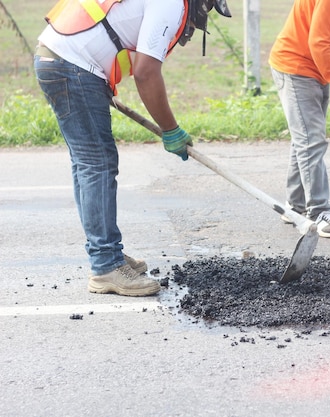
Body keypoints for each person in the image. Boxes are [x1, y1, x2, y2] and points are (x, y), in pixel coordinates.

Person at [34, 0, 231, 296]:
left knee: (88, 164)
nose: (201, 17)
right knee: (97, 164)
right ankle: (105, 266)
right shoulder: (171, 4)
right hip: (72, 66)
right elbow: (146, 72)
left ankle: (106, 253)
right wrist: (171, 130)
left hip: (59, 59)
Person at [268, 0, 330, 239]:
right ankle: (318, 211)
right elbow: (318, 43)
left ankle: (295, 207)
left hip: (315, 68)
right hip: (297, 67)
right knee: (311, 141)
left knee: (304, 139)